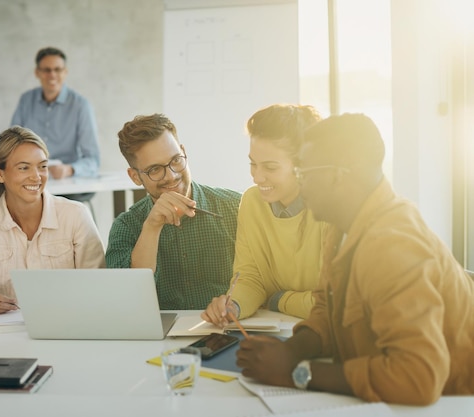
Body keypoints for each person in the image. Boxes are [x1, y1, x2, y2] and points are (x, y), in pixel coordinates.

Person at [236, 113, 474, 405]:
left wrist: (296, 372)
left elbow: (417, 378)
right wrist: (291, 350)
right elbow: (326, 307)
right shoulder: (342, 224)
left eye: (304, 173)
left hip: (449, 403)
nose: (300, 184)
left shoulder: (392, 243)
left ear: (338, 175)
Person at [0, 126, 105, 314]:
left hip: (66, 328)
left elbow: (97, 286)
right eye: (24, 168)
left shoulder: (75, 216)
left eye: (42, 166)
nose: (36, 176)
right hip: (3, 335)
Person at [201, 104, 326, 325]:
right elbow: (250, 276)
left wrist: (279, 300)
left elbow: (335, 302)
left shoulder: (332, 209)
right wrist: (233, 306)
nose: (257, 177)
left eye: (270, 167)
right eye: (253, 164)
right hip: (277, 328)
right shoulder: (252, 202)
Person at [105, 113, 241, 310]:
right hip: (160, 337)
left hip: (227, 331)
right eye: (154, 169)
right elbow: (123, 298)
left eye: (176, 160)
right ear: (135, 176)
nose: (171, 176)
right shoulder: (126, 226)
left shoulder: (235, 207)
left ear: (184, 152)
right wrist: (151, 227)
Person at [11, 47, 100, 203]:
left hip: (66, 185)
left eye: (57, 69)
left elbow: (92, 160)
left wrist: (69, 169)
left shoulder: (81, 105)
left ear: (65, 72)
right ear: (37, 72)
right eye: (46, 70)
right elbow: (11, 144)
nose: (52, 75)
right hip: (31, 180)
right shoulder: (26, 100)